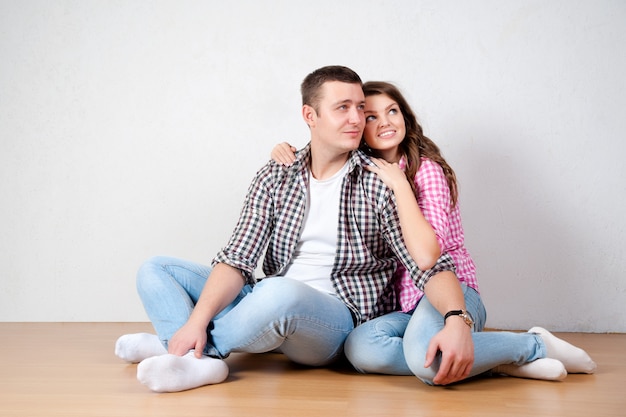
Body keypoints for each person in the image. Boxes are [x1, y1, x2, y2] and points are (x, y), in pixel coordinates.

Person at [114, 66, 457, 393]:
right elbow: (237, 258)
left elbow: (426, 266)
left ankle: (182, 352)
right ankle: (187, 348)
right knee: (156, 269)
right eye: (342, 108)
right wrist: (194, 322)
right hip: (265, 299)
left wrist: (456, 318)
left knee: (281, 293)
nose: (356, 119)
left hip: (335, 318)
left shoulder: (380, 181)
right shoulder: (276, 174)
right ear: (310, 116)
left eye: (359, 108)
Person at [271, 81, 596, 385]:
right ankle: (497, 359)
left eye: (392, 111)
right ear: (358, 127)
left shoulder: (426, 171)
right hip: (404, 305)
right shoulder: (361, 174)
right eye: (371, 116)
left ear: (405, 117)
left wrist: (400, 186)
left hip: (451, 292)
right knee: (361, 349)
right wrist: (287, 152)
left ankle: (532, 344)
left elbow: (429, 254)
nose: (385, 122)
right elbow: (323, 157)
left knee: (427, 361)